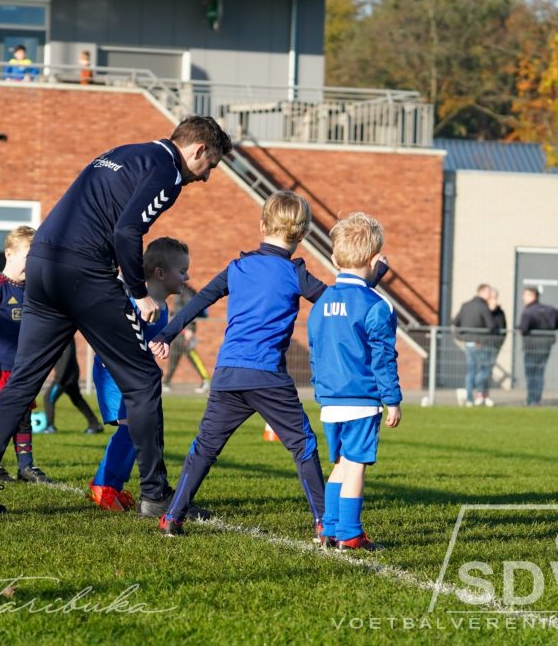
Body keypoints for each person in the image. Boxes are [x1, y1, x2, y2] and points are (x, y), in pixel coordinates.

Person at [0, 115, 232, 515]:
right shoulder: (167, 171)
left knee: (21, 384)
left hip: (42, 265)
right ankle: (156, 496)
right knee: (142, 382)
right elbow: (126, 232)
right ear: (198, 150)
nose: (206, 177)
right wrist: (138, 294)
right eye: (210, 167)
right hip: (83, 271)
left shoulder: (125, 153)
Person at [152, 192, 386, 537]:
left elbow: (197, 301)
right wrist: (373, 277)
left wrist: (166, 335)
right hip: (267, 378)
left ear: (262, 225)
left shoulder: (238, 267)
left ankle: (172, 516)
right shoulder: (295, 273)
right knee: (302, 445)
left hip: (228, 374)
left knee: (204, 447)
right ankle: (324, 522)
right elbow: (342, 302)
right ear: (302, 234)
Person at [308, 212, 401, 552]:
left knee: (342, 464)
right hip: (361, 399)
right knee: (356, 465)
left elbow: (316, 352)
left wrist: (321, 389)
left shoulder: (321, 304)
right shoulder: (377, 305)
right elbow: (383, 357)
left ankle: (329, 528)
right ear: (376, 259)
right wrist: (392, 399)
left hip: (330, 399)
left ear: (334, 257)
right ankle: (350, 533)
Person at [88, 237, 189, 512]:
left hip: (136, 376)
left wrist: (160, 345)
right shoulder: (131, 301)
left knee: (137, 430)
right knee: (132, 428)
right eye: (182, 271)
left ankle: (111, 487)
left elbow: (149, 343)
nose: (187, 277)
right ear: (160, 273)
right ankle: (103, 486)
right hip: (114, 372)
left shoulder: (163, 307)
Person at [0, 226, 52, 485]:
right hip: (0, 366)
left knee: (24, 417)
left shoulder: (31, 288)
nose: (31, 264)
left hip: (23, 368)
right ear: (9, 253)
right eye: (27, 257)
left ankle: (26, 467)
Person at [42, 338, 103, 434]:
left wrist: (59, 378)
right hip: (69, 376)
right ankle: (95, 424)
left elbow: (67, 357)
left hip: (64, 378)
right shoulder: (59, 336)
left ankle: (49, 427)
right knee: (77, 400)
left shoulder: (66, 337)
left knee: (48, 398)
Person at [518, 287, 558, 406]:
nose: (523, 298)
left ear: (532, 296)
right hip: (545, 345)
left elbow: (523, 328)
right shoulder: (549, 310)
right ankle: (536, 399)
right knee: (539, 373)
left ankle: (531, 399)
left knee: (531, 373)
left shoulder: (528, 311)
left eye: (525, 295)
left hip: (532, 346)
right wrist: (554, 328)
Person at [161, 284, 211, 394]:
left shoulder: (186, 292)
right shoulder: (178, 290)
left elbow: (191, 310)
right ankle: (166, 381)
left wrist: (190, 329)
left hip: (185, 330)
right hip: (178, 330)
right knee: (175, 355)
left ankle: (206, 380)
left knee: (191, 355)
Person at [452, 284, 496, 407]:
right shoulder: (483, 307)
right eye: (489, 292)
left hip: (468, 343)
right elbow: (491, 326)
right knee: (485, 369)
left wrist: (461, 336)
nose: (490, 295)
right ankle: (477, 390)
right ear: (482, 292)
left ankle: (470, 399)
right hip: (480, 343)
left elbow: (455, 322)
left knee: (470, 371)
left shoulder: (465, 305)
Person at [481, 287, 507, 408]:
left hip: (494, 345)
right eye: (492, 298)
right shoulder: (484, 310)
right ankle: (479, 394)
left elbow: (503, 328)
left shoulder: (500, 312)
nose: (494, 301)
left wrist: (500, 342)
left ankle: (485, 395)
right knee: (482, 371)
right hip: (483, 344)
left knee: (487, 371)